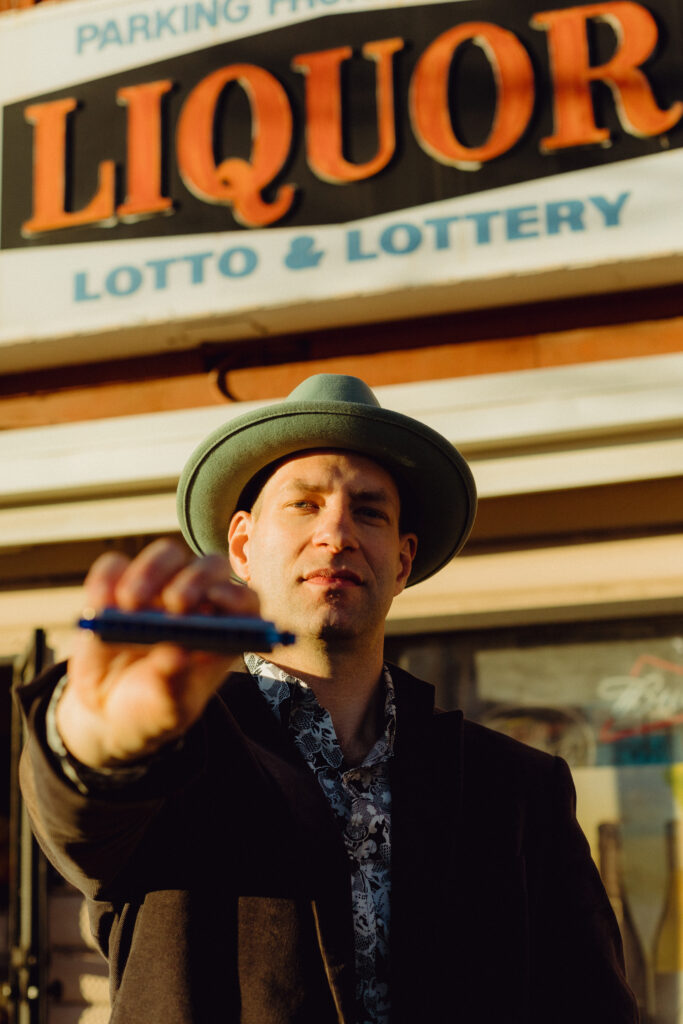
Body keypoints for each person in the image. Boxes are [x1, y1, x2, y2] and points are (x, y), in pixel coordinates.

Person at [17, 374, 637, 1024]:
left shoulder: (515, 789)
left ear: (401, 563)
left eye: (368, 511)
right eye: (304, 504)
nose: (336, 532)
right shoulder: (173, 758)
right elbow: (83, 816)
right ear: (242, 546)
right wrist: (96, 744)